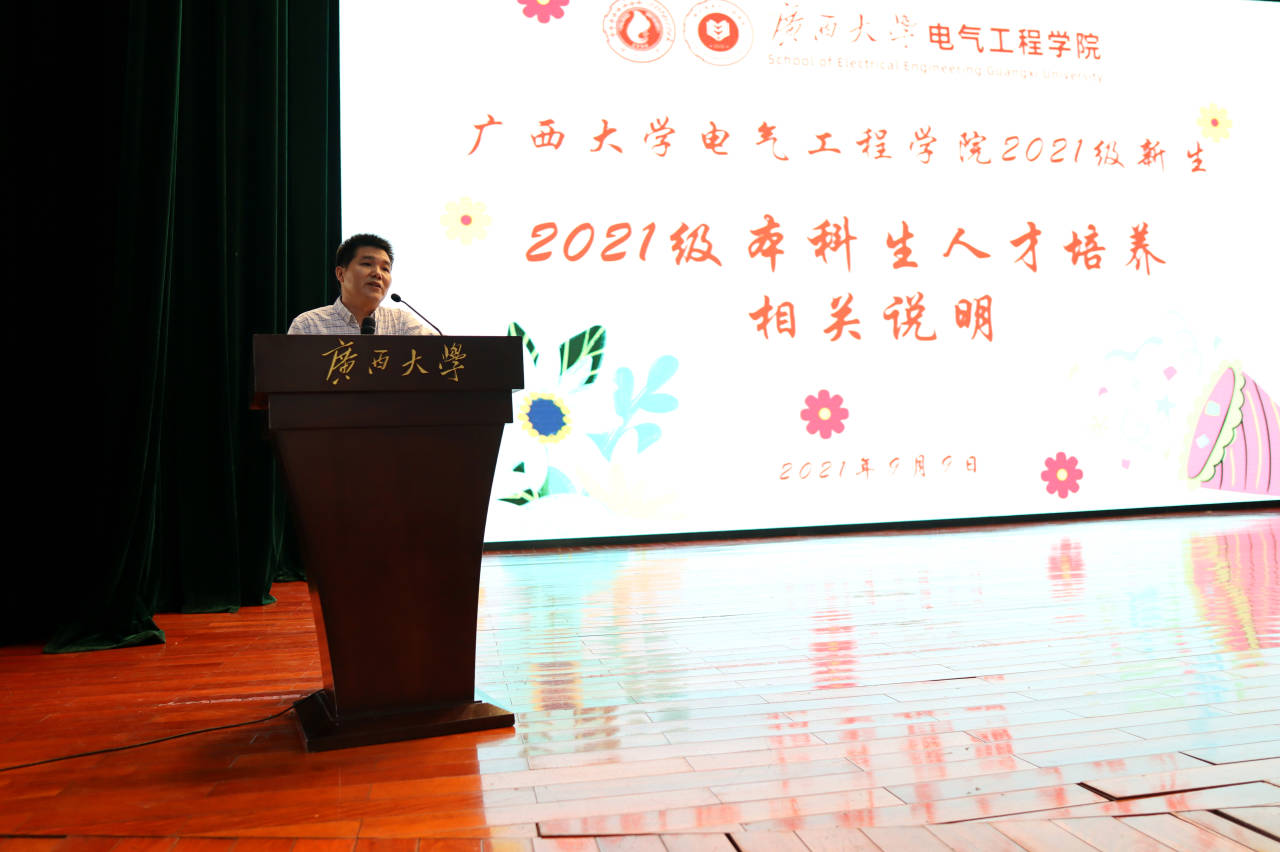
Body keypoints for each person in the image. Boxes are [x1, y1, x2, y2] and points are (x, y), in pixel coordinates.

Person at [287, 234, 435, 335]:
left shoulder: (401, 323)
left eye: (385, 268)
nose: (378, 273)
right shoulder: (308, 326)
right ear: (340, 274)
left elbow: (441, 353)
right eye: (367, 264)